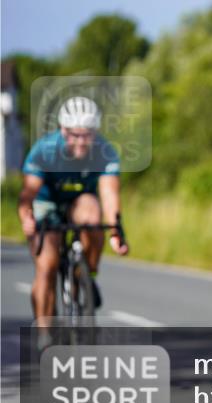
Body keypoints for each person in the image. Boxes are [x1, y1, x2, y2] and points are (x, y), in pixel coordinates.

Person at [17, 96, 129, 325]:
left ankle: (86, 276)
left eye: (87, 134)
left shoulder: (104, 151)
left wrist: (116, 231)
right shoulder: (44, 151)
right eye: (74, 134)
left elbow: (109, 194)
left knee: (93, 216)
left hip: (80, 200)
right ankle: (45, 333)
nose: (80, 141)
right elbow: (28, 194)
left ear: (95, 132)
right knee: (47, 266)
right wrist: (26, 217)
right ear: (63, 130)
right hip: (46, 202)